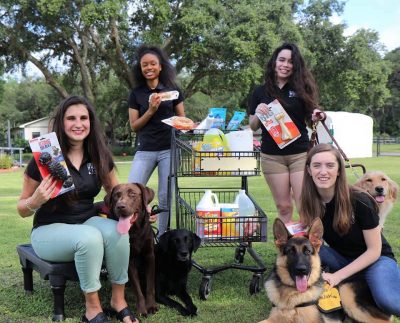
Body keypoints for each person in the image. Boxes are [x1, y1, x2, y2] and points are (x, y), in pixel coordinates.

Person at [17, 96, 138, 323]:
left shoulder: (98, 155)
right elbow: (22, 209)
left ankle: (118, 300)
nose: (78, 123)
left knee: (117, 232)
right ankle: (92, 308)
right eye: (71, 118)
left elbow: (115, 192)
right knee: (90, 237)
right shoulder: (44, 158)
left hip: (86, 220)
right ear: (61, 123)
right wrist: (36, 199)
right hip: (48, 230)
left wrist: (134, 209)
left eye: (84, 118)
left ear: (91, 122)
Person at [300, 143, 400, 316]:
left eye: (330, 165)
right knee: (307, 247)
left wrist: (337, 276)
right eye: (317, 165)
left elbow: (374, 251)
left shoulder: (360, 200)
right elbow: (312, 239)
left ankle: (367, 281)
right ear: (309, 170)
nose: (323, 171)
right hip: (341, 259)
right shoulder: (310, 201)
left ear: (339, 170)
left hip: (376, 261)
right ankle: (356, 281)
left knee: (388, 302)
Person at [249, 42, 323, 223]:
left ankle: (308, 249)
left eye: (290, 62)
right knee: (283, 207)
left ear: (295, 66)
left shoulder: (302, 88)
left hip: (300, 155)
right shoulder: (259, 91)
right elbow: (252, 125)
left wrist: (316, 115)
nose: (285, 65)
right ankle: (285, 249)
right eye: (281, 60)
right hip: (272, 157)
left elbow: (310, 116)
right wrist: (259, 111)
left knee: (304, 206)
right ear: (274, 62)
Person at [127, 45, 185, 236]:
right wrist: (151, 110)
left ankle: (161, 237)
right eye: (145, 65)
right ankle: (133, 234)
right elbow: (134, 126)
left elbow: (182, 120)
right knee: (131, 193)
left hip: (168, 149)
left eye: (153, 64)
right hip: (145, 150)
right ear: (140, 69)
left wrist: (187, 124)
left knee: (164, 196)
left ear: (161, 67)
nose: (149, 67)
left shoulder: (173, 90)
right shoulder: (136, 94)